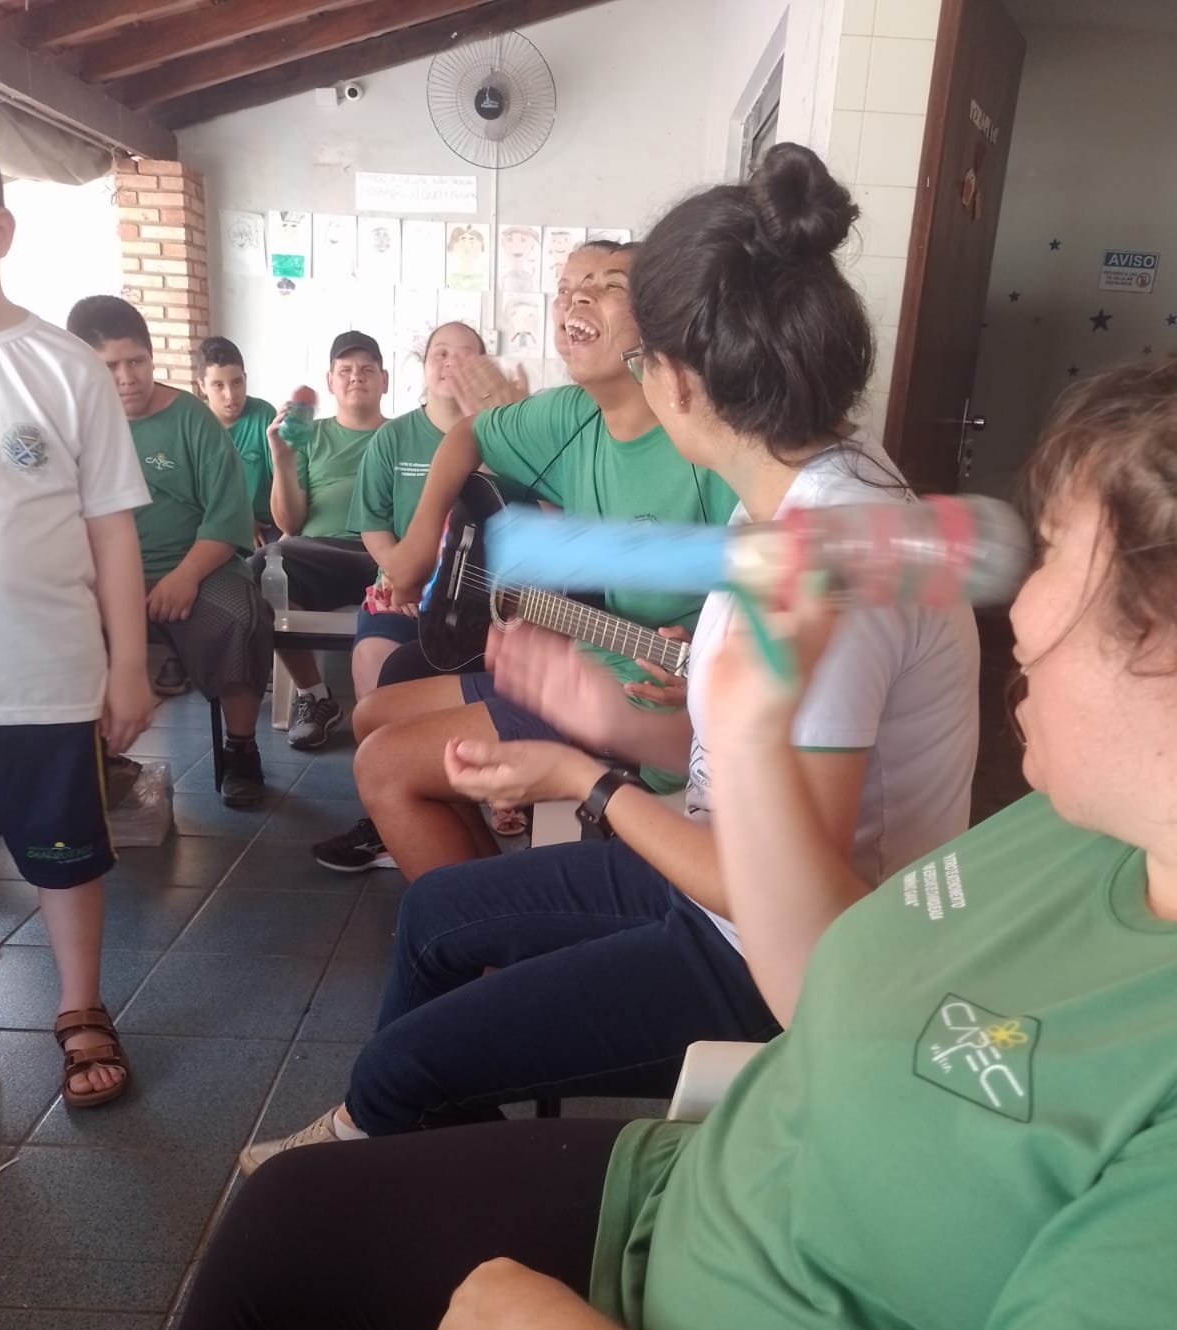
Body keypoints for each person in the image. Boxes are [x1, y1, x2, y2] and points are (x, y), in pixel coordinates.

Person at [0, 232, 1172, 1330]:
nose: (1017, 607)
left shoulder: (839, 556)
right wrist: (638, 733)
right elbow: (834, 985)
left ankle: (386, 1145)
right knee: (292, 1214)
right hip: (707, 1202)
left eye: (1063, 564)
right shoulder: (1071, 838)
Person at [242, 145, 977, 1165]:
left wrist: (582, 777)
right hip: (718, 880)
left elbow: (782, 897)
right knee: (436, 918)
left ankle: (382, 1142)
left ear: (671, 377)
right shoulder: (808, 492)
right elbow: (735, 760)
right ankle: (413, 1148)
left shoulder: (826, 568)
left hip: (775, 961)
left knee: (402, 1067)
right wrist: (609, 716)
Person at [313, 240, 737, 877]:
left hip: (639, 708)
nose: (577, 296)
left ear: (665, 320)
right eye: (568, 287)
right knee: (370, 715)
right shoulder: (573, 412)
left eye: (609, 285)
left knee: (382, 764)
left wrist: (706, 673)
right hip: (580, 670)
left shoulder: (705, 444)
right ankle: (488, 898)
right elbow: (470, 434)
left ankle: (481, 913)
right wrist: (422, 542)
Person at [0, 136, 153, 1107]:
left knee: (63, 850)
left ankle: (80, 1005)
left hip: (43, 668)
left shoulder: (60, 366)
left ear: (0, 229)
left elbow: (112, 529)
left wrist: (129, 665)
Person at [67, 297, 270, 810]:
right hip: (98, 574)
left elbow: (227, 516)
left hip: (197, 565)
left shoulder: (192, 420)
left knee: (239, 617)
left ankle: (241, 748)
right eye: (110, 366)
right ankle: (92, 756)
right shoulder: (69, 424)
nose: (127, 377)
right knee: (54, 625)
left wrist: (184, 576)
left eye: (137, 361)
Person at [254, 331, 387, 751]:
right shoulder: (307, 436)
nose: (356, 377)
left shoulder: (403, 434)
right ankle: (314, 695)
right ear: (330, 381)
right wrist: (282, 459)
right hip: (320, 555)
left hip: (385, 555)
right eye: (345, 370)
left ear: (384, 380)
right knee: (261, 565)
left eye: (367, 369)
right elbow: (289, 522)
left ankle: (393, 706)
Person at [348, 321, 489, 701]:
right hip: (402, 594)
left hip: (482, 600)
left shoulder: (503, 435)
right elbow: (373, 525)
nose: (450, 362)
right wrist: (402, 575)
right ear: (424, 366)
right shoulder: (392, 437)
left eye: (464, 355)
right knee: (373, 659)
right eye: (440, 353)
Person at [195, 334, 276, 543]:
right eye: (218, 385)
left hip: (265, 528)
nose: (230, 395)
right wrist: (238, 520)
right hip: (210, 527)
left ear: (245, 378)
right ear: (202, 385)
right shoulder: (193, 423)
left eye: (237, 382)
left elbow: (281, 481)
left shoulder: (264, 415)